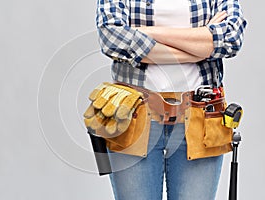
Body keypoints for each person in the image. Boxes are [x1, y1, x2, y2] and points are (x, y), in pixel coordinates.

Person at [95, 0, 247, 199]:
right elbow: (111, 38)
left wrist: (148, 33)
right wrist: (201, 44)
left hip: (200, 118)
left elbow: (231, 38)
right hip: (133, 117)